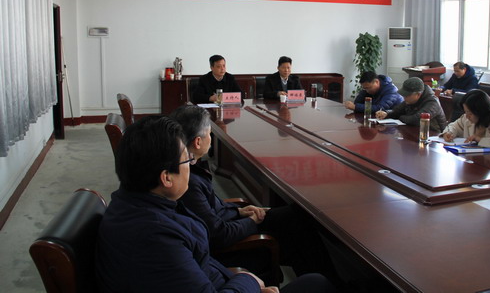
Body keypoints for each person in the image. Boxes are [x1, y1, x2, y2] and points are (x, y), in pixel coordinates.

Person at [96, 115, 336, 293]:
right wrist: (248, 282)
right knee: (317, 284)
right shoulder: (156, 237)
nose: (190, 167)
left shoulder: (139, 203)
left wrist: (242, 281)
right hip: (230, 279)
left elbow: (200, 262)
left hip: (224, 279)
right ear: (166, 177)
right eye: (186, 161)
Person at [170, 105, 338, 287]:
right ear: (197, 142)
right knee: (296, 237)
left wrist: (240, 211)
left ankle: (325, 282)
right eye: (209, 134)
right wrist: (252, 221)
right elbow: (219, 235)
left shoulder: (192, 169)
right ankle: (325, 284)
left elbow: (213, 208)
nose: (211, 137)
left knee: (295, 216)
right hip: (229, 243)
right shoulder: (188, 183)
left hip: (232, 221)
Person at [442, 89, 490, 153]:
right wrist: (449, 133)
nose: (467, 116)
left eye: (470, 113)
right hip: (475, 158)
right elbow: (453, 126)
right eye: (466, 112)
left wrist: (479, 139)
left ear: (481, 111)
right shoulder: (467, 118)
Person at [375, 77, 447, 133]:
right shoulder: (410, 100)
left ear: (418, 94)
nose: (404, 98)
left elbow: (416, 120)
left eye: (407, 95)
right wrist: (386, 113)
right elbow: (397, 111)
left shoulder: (432, 102)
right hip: (415, 132)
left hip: (434, 136)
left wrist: (400, 117)